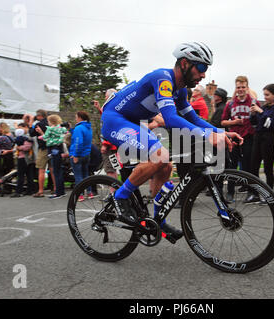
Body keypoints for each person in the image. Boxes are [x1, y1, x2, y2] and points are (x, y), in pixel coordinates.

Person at [100, 42, 242, 242]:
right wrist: (206, 135)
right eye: (201, 68)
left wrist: (220, 132)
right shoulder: (162, 78)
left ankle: (158, 219)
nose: (203, 75)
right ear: (184, 64)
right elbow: (171, 117)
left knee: (166, 166)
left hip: (135, 123)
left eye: (206, 70)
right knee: (160, 155)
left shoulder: (180, 91)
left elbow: (193, 118)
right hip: (115, 120)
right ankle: (120, 197)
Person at [221, 75, 256, 202]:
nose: (240, 89)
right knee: (232, 166)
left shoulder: (253, 102)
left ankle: (250, 192)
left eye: (243, 87)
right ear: (235, 88)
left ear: (247, 88)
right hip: (234, 137)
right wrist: (234, 122)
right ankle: (230, 193)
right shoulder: (230, 104)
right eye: (238, 87)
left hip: (248, 137)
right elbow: (223, 122)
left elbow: (258, 121)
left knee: (248, 166)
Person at [249, 84, 274, 198]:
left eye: (267, 95)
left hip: (269, 138)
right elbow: (254, 123)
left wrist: (260, 112)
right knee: (254, 167)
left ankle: (269, 194)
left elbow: (270, 123)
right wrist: (253, 114)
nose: (265, 97)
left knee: (268, 168)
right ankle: (254, 193)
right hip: (258, 136)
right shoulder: (265, 107)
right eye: (264, 95)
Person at [38, 114, 68, 199]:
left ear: (51, 121)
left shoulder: (50, 129)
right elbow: (66, 133)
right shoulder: (62, 129)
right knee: (59, 171)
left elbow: (45, 137)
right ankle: (62, 191)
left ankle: (58, 193)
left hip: (53, 149)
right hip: (60, 149)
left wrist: (41, 136)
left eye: (48, 121)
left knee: (55, 171)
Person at [69, 111, 93, 202]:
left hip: (78, 155)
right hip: (87, 154)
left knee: (78, 175)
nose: (75, 118)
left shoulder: (79, 128)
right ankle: (89, 192)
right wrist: (71, 130)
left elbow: (78, 142)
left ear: (80, 117)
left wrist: (75, 155)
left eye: (76, 117)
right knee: (86, 174)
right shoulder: (88, 127)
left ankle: (80, 195)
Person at [29, 109, 52, 198]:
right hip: (51, 147)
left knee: (41, 169)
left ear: (39, 116)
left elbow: (31, 133)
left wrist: (31, 122)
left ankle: (40, 191)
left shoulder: (39, 124)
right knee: (52, 169)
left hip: (43, 148)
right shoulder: (50, 123)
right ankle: (55, 188)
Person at [11, 128, 36, 197]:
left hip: (22, 158)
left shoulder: (21, 140)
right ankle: (30, 190)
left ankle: (19, 192)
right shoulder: (28, 139)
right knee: (29, 175)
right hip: (29, 159)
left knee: (21, 175)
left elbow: (26, 147)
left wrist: (19, 148)